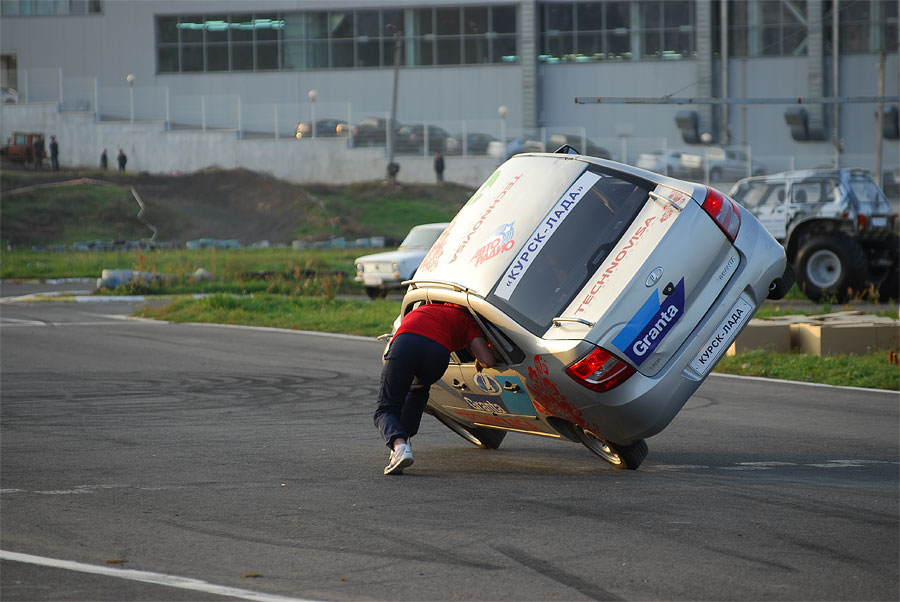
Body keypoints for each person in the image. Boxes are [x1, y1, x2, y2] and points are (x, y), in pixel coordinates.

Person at [374, 302, 495, 475]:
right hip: (437, 354)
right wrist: (479, 359)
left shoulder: (425, 306)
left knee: (385, 408)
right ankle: (402, 445)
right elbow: (488, 360)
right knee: (419, 391)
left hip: (406, 344)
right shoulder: (468, 321)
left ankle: (399, 447)